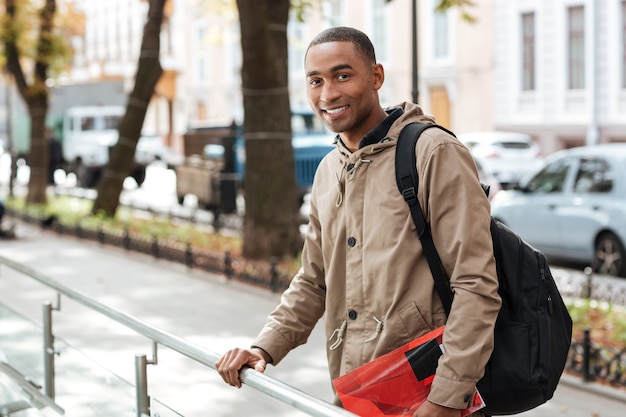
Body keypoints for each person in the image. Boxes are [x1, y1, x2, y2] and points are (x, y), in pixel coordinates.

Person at [217, 27, 501, 417]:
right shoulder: (328, 170)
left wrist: (447, 397)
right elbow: (314, 279)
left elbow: (475, 283)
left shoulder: (433, 153)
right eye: (315, 81)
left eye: (342, 75)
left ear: (376, 76)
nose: (327, 93)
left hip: (428, 394)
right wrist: (265, 346)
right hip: (359, 394)